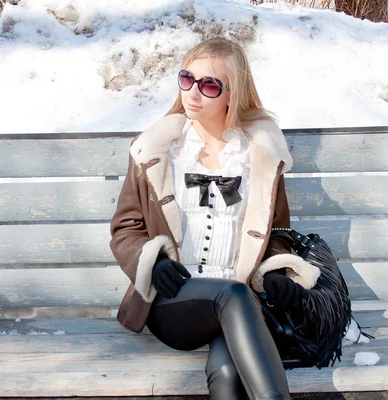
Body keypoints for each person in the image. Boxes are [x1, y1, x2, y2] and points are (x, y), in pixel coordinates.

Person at [110, 37, 321, 400]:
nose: (193, 92)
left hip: (238, 302)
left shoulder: (261, 157)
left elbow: (278, 232)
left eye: (208, 85)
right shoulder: (155, 150)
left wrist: (273, 270)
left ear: (231, 95)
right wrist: (153, 262)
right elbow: (125, 228)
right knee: (233, 295)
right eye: (187, 79)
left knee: (226, 371)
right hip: (173, 302)